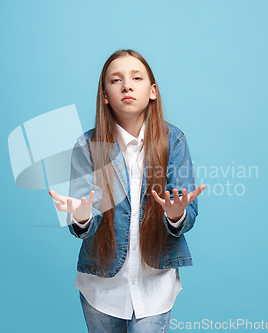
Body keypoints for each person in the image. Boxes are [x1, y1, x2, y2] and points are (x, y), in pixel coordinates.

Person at [49, 49, 206, 333]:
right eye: (116, 80)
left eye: (136, 77)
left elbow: (187, 213)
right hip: (101, 287)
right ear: (105, 95)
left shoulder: (174, 141)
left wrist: (176, 215)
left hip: (155, 284)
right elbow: (83, 223)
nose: (127, 85)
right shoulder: (87, 146)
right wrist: (83, 217)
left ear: (153, 91)